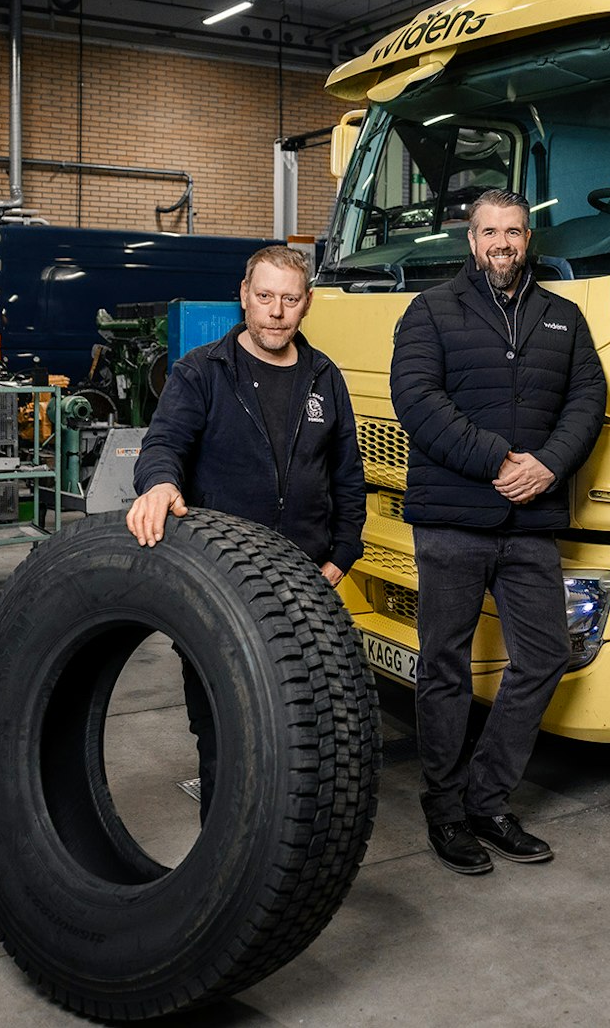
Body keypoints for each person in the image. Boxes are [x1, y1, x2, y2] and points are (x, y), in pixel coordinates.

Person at [390, 189, 607, 876]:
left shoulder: (562, 316)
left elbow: (588, 399)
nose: (502, 243)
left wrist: (549, 464)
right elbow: (416, 400)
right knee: (445, 667)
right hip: (453, 520)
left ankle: (486, 799)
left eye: (513, 231)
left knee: (545, 656)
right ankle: (445, 811)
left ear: (527, 239)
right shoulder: (430, 310)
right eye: (490, 232)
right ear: (471, 239)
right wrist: (499, 460)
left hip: (531, 522)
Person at [127, 244, 366, 812]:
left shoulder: (324, 377)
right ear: (243, 296)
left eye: (289, 299)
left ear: (307, 303)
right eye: (264, 297)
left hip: (306, 584)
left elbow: (348, 477)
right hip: (221, 584)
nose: (276, 312)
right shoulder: (202, 372)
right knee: (223, 730)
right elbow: (163, 444)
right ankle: (229, 841)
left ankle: (291, 836)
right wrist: (159, 484)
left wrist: (342, 555)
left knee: (305, 727)